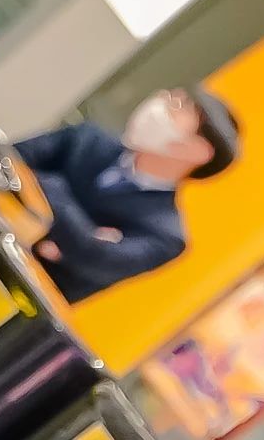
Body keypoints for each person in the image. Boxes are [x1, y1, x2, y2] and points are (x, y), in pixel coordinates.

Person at [15, 88, 239, 301]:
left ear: (197, 150)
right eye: (169, 96)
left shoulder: (165, 235)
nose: (159, 104)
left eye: (178, 105)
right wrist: (74, 229)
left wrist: (37, 183)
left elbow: (96, 258)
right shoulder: (87, 138)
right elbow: (10, 158)